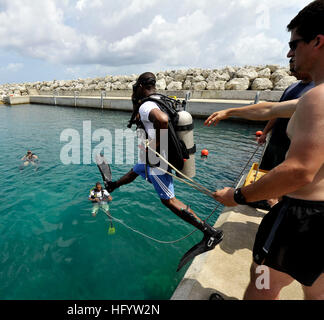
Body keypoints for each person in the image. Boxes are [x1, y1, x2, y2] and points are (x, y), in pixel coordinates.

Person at [213, 0, 324, 300]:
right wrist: (231, 111)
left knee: (263, 281)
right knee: (316, 290)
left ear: (317, 41)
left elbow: (300, 170)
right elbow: (270, 109)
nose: (289, 52)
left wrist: (237, 196)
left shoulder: (316, 98)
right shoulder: (309, 98)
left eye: (294, 44)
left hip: (304, 219)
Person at [107, 72, 223, 266]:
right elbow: (162, 121)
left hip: (158, 162)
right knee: (134, 171)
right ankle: (113, 185)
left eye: (136, 87)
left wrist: (154, 146)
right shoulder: (160, 99)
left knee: (169, 201)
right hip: (151, 160)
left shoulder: (146, 105)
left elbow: (161, 120)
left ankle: (210, 233)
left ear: (142, 86)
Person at [257, 59, 314, 171]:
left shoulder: (316, 89)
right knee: (265, 172)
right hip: (274, 142)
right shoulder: (291, 87)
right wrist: (265, 133)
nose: (291, 72)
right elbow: (276, 111)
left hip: (291, 147)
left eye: (294, 68)